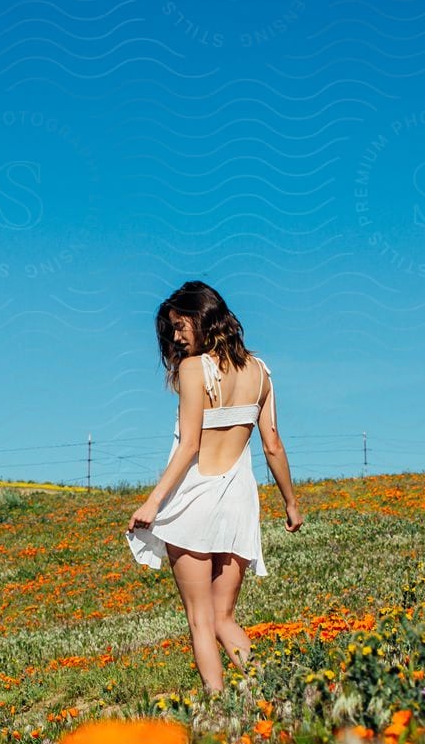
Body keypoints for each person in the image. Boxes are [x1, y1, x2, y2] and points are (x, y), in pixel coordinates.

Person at [126, 281, 302, 695]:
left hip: (194, 502)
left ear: (202, 315)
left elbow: (189, 447)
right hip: (239, 504)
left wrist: (152, 503)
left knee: (201, 620)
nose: (176, 336)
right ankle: (275, 695)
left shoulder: (193, 369)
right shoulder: (260, 371)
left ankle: (219, 707)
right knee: (224, 618)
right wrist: (291, 503)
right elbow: (272, 443)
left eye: (180, 325)